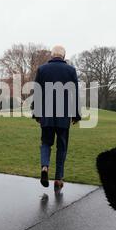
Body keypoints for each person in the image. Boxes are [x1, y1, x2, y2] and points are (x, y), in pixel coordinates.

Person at [33, 46, 81, 194]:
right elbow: (75, 94)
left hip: (46, 114)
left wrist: (37, 113)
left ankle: (44, 167)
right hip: (63, 115)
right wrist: (76, 114)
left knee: (46, 143)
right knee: (62, 147)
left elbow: (37, 93)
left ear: (52, 55)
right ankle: (59, 179)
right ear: (64, 56)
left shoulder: (42, 69)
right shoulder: (71, 71)